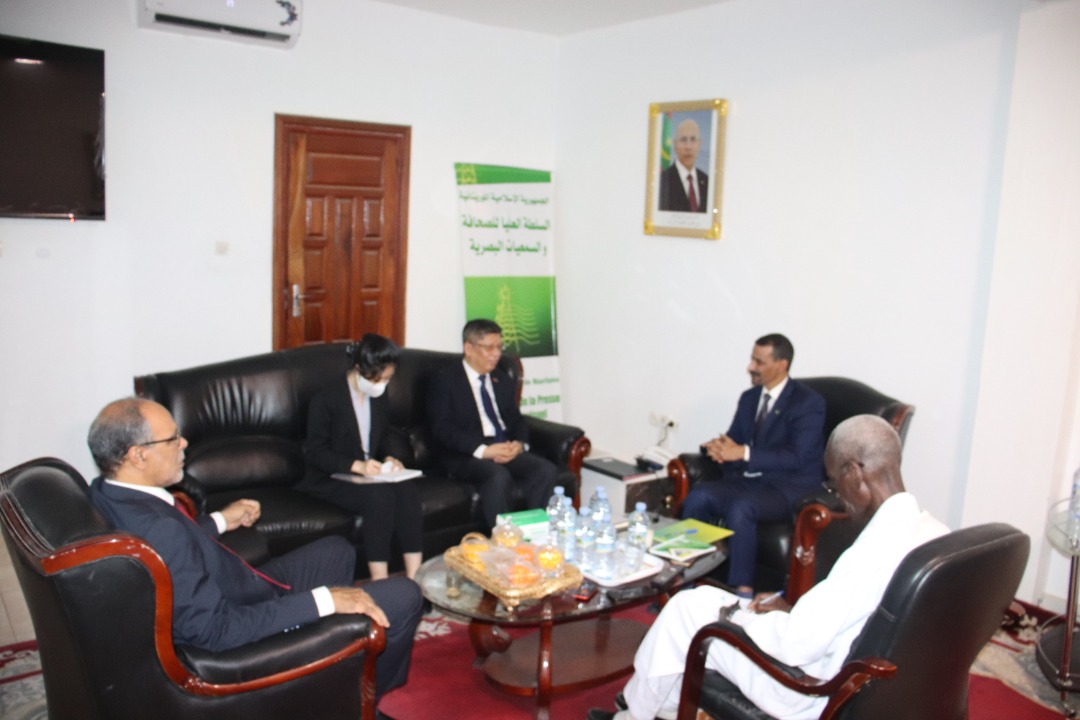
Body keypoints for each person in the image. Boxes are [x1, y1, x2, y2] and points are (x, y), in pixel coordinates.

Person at [588, 415, 949, 720]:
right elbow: (849, 618)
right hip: (871, 683)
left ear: (854, 472)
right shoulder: (935, 533)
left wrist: (739, 617)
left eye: (833, 483)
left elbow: (795, 645)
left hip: (809, 690)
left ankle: (634, 714)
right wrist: (791, 611)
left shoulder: (874, 548)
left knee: (686, 610)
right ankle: (651, 708)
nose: (837, 496)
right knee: (701, 606)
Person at [87, 397, 422, 705]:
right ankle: (356, 702)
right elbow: (214, 632)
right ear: (138, 455)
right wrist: (325, 601)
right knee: (405, 594)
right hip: (242, 623)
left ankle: (330, 661)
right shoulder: (160, 529)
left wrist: (220, 520)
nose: (184, 443)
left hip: (234, 587)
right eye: (173, 438)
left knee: (337, 550)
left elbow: (174, 543)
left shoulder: (108, 492)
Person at [680, 333, 826, 598]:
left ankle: (742, 593)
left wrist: (743, 452)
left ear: (781, 365)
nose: (751, 367)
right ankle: (686, 577)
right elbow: (734, 439)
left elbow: (797, 456)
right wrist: (718, 448)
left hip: (787, 487)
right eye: (752, 359)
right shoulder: (749, 398)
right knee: (700, 496)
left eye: (759, 362)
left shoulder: (808, 403)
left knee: (742, 507)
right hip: (749, 480)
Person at [301, 334, 424, 580]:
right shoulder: (326, 399)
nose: (382, 385)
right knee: (379, 497)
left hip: (369, 475)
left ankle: (415, 579)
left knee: (408, 491)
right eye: (377, 379)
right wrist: (356, 465)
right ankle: (380, 582)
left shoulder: (379, 397)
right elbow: (315, 451)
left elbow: (381, 435)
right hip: (332, 476)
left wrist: (390, 458)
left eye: (387, 379)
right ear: (358, 368)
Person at [426, 318, 559, 529]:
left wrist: (519, 444)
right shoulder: (444, 380)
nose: (496, 354)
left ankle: (539, 534)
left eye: (499, 347)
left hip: (503, 446)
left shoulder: (501, 379)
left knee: (545, 470)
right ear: (469, 348)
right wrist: (483, 451)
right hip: (467, 453)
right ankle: (504, 540)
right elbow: (442, 429)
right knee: (498, 476)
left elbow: (516, 419)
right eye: (489, 347)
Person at [658, 118, 709, 213]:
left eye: (693, 139)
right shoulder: (663, 181)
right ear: (675, 145)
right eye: (683, 140)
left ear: (699, 144)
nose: (688, 147)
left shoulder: (707, 181)